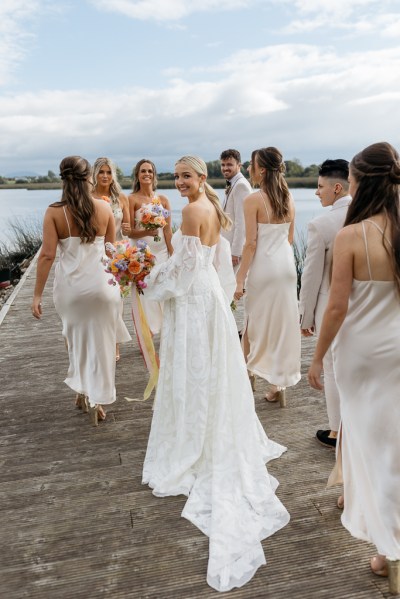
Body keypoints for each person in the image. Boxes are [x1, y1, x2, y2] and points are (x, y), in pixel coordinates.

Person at [142, 155, 290, 592]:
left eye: (186, 175)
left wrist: (146, 279)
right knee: (208, 372)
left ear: (201, 178)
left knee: (193, 372)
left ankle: (194, 439)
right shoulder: (209, 208)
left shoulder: (191, 210)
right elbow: (204, 263)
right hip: (209, 300)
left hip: (193, 303)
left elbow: (183, 272)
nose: (179, 181)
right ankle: (203, 427)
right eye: (177, 175)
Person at [308, 142, 400, 595]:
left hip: (361, 355)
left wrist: (316, 355)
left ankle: (388, 550)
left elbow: (337, 307)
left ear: (359, 182)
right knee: (396, 443)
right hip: (399, 348)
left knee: (367, 445)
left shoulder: (351, 235)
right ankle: (389, 547)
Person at [31, 156, 124, 426]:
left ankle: (82, 389)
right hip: (103, 286)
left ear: (63, 178)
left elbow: (47, 256)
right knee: (104, 344)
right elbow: (112, 251)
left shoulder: (53, 212)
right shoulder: (104, 208)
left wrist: (36, 295)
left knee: (74, 338)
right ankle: (97, 398)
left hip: (71, 289)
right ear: (89, 179)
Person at [234, 147, 301, 407]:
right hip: (286, 268)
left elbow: (250, 244)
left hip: (265, 268)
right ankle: (277, 385)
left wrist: (240, 279)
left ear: (261, 169)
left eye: (251, 165)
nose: (249, 170)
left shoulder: (253, 200)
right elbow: (291, 239)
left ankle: (245, 375)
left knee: (253, 322)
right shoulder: (289, 198)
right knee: (282, 325)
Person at [299, 159, 351, 448]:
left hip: (330, 305)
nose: (317, 193)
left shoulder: (321, 224)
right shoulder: (373, 214)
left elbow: (310, 277)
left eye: (320, 187)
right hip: (365, 308)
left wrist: (305, 318)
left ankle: (335, 432)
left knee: (331, 369)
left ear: (337, 187)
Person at [92, 156, 131, 361]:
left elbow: (129, 227)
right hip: (96, 254)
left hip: (118, 254)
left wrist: (127, 228)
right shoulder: (89, 197)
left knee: (116, 302)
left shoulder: (121, 198)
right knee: (99, 301)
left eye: (109, 172)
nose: (105, 176)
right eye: (101, 172)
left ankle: (114, 344)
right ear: (95, 174)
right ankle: (98, 341)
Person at [128, 159, 173, 335]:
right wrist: (147, 231)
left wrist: (172, 253)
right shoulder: (131, 199)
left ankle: (166, 331)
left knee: (163, 291)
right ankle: (148, 332)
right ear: (137, 175)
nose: (147, 174)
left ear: (154, 175)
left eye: (150, 171)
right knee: (145, 295)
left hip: (161, 253)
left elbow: (168, 230)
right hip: (141, 254)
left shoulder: (162, 199)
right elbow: (130, 232)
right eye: (143, 171)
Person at [220, 149, 252, 270]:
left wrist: (236, 252)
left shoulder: (241, 185)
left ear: (239, 165)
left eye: (229, 164)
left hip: (234, 252)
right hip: (227, 247)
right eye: (223, 165)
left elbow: (242, 222)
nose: (225, 168)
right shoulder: (233, 183)